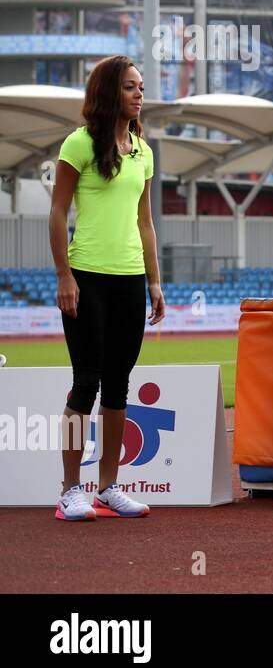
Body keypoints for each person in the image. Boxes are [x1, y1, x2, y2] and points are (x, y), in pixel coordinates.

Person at [49, 55, 165, 521]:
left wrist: (154, 281)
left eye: (141, 87)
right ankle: (69, 490)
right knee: (85, 382)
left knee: (119, 384)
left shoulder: (143, 151)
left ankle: (109, 486)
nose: (140, 94)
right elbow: (57, 212)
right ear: (108, 93)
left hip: (129, 280)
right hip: (87, 277)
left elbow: (146, 222)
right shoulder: (77, 144)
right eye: (131, 87)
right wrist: (63, 274)